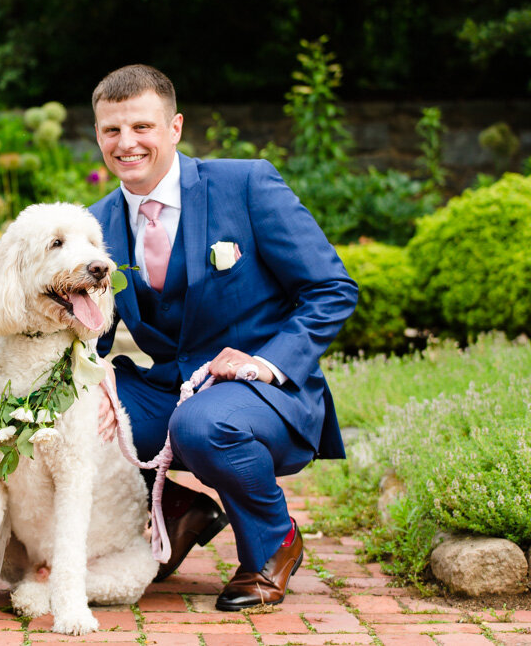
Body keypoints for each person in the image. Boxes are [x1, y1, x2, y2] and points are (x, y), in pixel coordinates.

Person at [87, 65, 357, 610]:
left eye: (142, 126)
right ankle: (178, 509)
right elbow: (85, 333)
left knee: (202, 422)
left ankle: (272, 543)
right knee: (67, 412)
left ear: (175, 128)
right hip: (171, 385)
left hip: (266, 395)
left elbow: (332, 288)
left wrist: (266, 362)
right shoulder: (97, 225)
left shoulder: (247, 185)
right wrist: (82, 384)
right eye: (112, 130)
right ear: (97, 134)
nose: (127, 143)